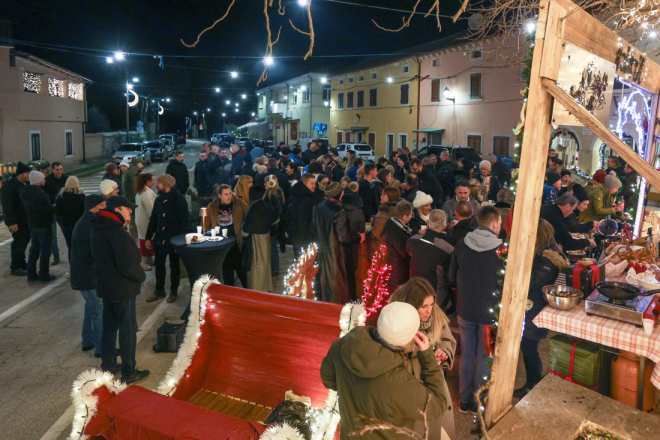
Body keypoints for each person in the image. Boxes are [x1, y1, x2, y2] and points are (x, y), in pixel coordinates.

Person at [320, 301, 449, 440]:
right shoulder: (398, 382)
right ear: (409, 338)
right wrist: (428, 357)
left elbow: (328, 379)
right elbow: (437, 406)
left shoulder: (342, 345)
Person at [448, 206, 503, 414]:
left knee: (467, 355)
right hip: (488, 312)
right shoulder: (501, 250)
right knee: (484, 356)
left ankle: (463, 402)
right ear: (495, 223)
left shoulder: (462, 244)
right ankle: (478, 403)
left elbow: (451, 276)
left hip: (465, 308)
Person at [91, 196, 149, 384]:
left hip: (106, 287)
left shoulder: (98, 228)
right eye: (127, 208)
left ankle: (108, 366)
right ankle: (129, 372)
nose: (130, 211)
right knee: (127, 330)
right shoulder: (117, 232)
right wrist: (141, 276)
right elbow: (127, 265)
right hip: (122, 289)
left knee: (109, 328)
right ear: (117, 210)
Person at [390, 278, 456, 439]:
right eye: (424, 306)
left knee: (438, 424)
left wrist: (442, 353)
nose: (429, 310)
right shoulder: (394, 319)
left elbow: (446, 340)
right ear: (411, 305)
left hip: (434, 380)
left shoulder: (435, 316)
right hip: (409, 384)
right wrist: (420, 355)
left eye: (432, 304)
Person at [514, 219, 570, 399]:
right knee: (529, 347)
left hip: (536, 308)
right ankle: (533, 384)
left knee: (529, 348)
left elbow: (531, 282)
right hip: (536, 306)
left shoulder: (548, 258)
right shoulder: (548, 251)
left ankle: (533, 385)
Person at [312, 181, 363, 303]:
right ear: (338, 194)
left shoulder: (317, 208)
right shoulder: (338, 212)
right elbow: (343, 237)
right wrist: (358, 237)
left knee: (324, 282)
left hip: (321, 250)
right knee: (339, 284)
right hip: (336, 253)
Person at [71, 194, 106, 358]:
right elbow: (87, 254)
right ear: (95, 207)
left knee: (90, 307)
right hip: (87, 276)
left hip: (85, 275)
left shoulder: (88, 221)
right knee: (98, 310)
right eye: (103, 204)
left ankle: (87, 341)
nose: (105, 207)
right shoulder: (86, 226)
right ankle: (100, 348)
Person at [144, 175, 189, 303]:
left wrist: (180, 241)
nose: (156, 185)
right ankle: (159, 290)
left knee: (174, 266)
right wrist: (148, 237)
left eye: (159, 183)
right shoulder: (158, 200)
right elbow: (153, 219)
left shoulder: (179, 200)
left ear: (166, 185)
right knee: (159, 265)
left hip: (173, 239)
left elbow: (184, 222)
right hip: (159, 238)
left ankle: (173, 291)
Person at [407, 210, 454, 309]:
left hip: (414, 289)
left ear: (428, 223)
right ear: (445, 226)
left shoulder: (412, 241)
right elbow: (450, 277)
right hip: (435, 295)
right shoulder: (447, 249)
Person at [204, 184, 249, 287]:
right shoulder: (212, 206)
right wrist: (209, 237)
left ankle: (248, 291)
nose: (229, 196)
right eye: (226, 194)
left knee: (240, 269)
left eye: (230, 193)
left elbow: (248, 217)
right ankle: (230, 294)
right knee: (226, 270)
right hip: (221, 244)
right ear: (220, 195)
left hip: (236, 243)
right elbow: (206, 224)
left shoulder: (239, 204)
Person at [21, 171, 56, 282]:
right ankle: (44, 274)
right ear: (38, 181)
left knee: (34, 249)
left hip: (32, 224)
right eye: (42, 179)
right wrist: (54, 207)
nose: (44, 180)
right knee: (45, 250)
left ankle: (31, 274)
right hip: (43, 224)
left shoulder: (25, 193)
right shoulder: (40, 194)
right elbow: (46, 210)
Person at [242, 185, 278, 292]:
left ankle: (258, 288)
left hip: (255, 239)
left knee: (257, 265)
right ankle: (267, 286)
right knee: (265, 263)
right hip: (266, 236)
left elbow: (245, 232)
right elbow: (276, 219)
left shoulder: (253, 209)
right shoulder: (266, 206)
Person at [1, 162, 32, 276]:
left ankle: (21, 262)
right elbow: (7, 206)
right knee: (19, 242)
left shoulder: (23, 185)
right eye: (27, 173)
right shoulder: (9, 186)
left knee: (24, 241)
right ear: (21, 174)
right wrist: (11, 222)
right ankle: (15, 266)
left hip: (25, 220)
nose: (29, 175)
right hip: (16, 221)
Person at [286, 174, 324, 258]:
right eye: (312, 183)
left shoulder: (297, 195)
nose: (314, 186)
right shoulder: (305, 199)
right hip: (303, 236)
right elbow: (302, 220)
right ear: (304, 184)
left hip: (297, 234)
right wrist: (310, 236)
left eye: (315, 183)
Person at [383, 200, 414, 292]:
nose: (412, 216)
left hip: (394, 266)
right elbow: (404, 252)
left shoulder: (392, 222)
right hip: (397, 270)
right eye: (410, 215)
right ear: (405, 216)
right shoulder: (396, 231)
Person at [341, 182, 365, 299]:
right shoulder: (358, 211)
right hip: (354, 244)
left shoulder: (340, 209)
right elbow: (361, 230)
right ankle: (352, 297)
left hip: (340, 246)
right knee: (352, 272)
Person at [54, 176, 86, 262]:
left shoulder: (61, 196)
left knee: (70, 246)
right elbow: (85, 211)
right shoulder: (81, 196)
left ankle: (72, 267)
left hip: (66, 224)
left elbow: (57, 212)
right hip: (79, 224)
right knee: (80, 246)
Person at [44, 162, 68, 266]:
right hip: (52, 211)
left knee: (67, 233)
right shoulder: (47, 181)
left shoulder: (66, 179)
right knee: (52, 235)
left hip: (63, 211)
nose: (59, 172)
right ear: (52, 170)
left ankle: (72, 254)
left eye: (61, 169)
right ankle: (56, 256)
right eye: (57, 169)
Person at [263, 175, 286, 276]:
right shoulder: (279, 192)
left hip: (272, 226)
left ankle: (274, 269)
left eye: (266, 182)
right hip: (277, 225)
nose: (264, 184)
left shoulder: (271, 195)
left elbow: (274, 211)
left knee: (272, 248)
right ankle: (274, 268)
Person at [367, 187, 401, 254]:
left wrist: (366, 235)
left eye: (383, 195)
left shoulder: (383, 214)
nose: (380, 197)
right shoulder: (399, 212)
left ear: (390, 197)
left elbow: (375, 234)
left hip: (380, 249)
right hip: (393, 250)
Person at [134, 173, 156, 271]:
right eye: (153, 180)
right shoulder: (146, 194)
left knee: (146, 239)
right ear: (148, 182)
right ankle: (144, 262)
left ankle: (149, 259)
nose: (154, 182)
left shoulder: (140, 191)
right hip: (145, 221)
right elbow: (150, 210)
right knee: (145, 241)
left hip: (141, 219)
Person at [121, 157, 144, 240]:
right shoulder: (127, 174)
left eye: (125, 166)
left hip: (133, 203)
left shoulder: (130, 174)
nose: (123, 168)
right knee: (133, 227)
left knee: (134, 226)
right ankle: (133, 245)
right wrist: (137, 167)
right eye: (121, 166)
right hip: (131, 203)